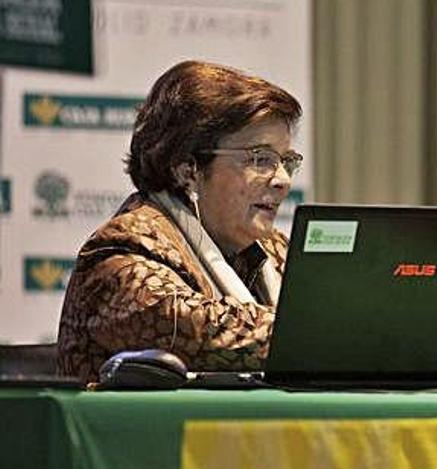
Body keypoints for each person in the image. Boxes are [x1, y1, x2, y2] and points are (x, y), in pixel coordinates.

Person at [57, 60, 303, 382]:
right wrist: (325, 333)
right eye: (261, 159)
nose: (282, 180)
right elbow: (199, 330)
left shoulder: (276, 250)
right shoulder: (120, 252)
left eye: (286, 161)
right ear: (188, 169)